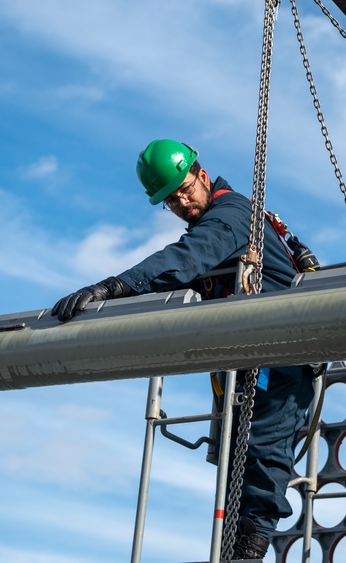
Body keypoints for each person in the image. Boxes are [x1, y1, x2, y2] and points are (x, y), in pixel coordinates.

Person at [51, 139, 314, 561]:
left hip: (280, 361)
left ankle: (246, 556)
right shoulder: (216, 223)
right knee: (236, 468)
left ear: (202, 175)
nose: (182, 203)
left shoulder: (232, 216)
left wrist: (115, 286)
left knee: (262, 463)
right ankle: (234, 552)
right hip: (247, 365)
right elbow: (186, 273)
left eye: (185, 191)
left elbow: (187, 258)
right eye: (171, 200)